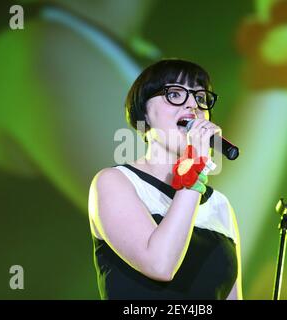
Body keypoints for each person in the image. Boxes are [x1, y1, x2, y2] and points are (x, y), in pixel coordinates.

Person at [88, 59, 243, 299]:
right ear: (145, 113)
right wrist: (196, 163)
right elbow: (159, 265)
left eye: (201, 98)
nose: (193, 105)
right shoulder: (115, 182)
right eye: (175, 94)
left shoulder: (219, 205)